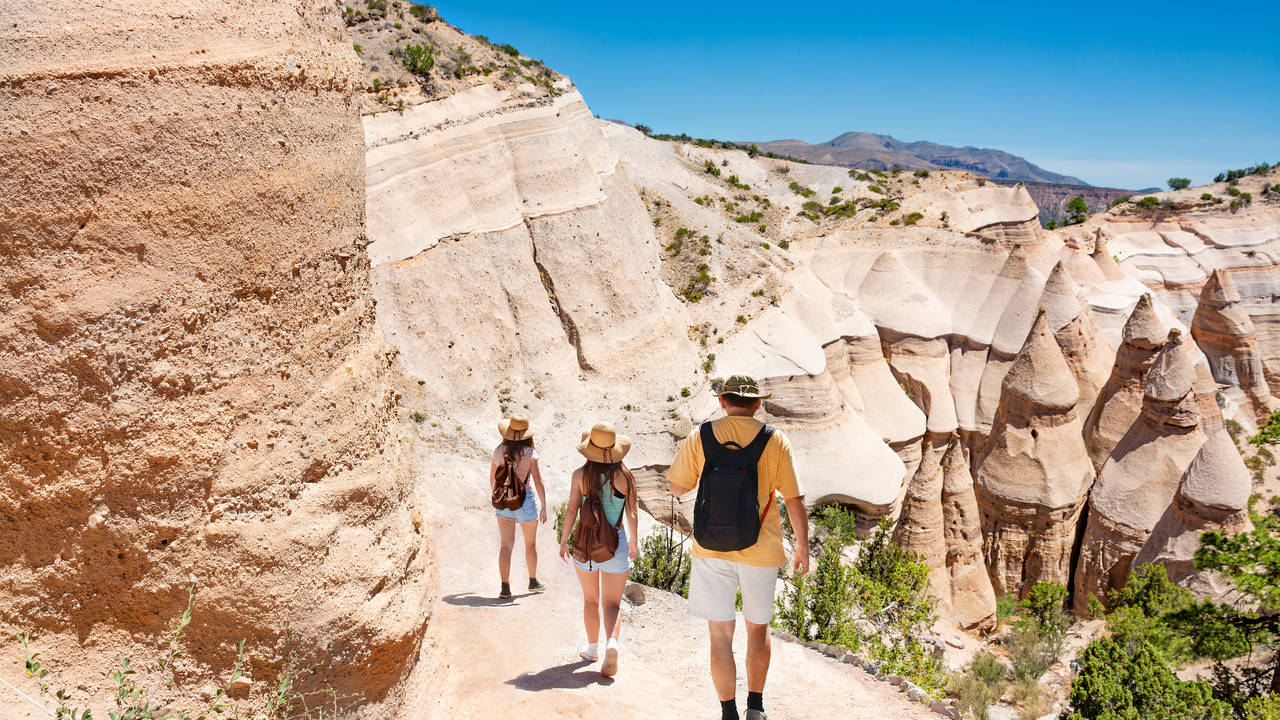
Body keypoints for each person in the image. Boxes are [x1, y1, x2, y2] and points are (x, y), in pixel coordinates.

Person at [668, 374, 810, 720]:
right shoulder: (775, 440)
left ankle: (727, 712)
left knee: (719, 634)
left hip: (711, 549)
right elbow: (793, 500)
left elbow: (676, 487)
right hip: (760, 550)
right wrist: (803, 549)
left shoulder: (700, 436)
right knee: (757, 629)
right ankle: (756, 708)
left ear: (722, 401)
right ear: (759, 403)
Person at [558, 422, 639, 677]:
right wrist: (634, 542)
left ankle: (592, 649)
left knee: (591, 600)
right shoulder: (624, 476)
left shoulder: (579, 476)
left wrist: (563, 540)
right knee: (612, 603)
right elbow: (632, 512)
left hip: (586, 545)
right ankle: (611, 643)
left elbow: (572, 510)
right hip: (615, 544)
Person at [491, 413, 548, 598]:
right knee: (530, 545)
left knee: (506, 546)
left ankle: (505, 587)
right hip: (525, 502)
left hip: (503, 502)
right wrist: (544, 506)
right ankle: (532, 581)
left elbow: (492, 479)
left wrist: (502, 496)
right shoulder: (530, 453)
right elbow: (538, 482)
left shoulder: (499, 451)